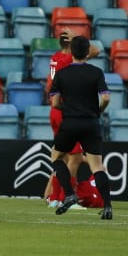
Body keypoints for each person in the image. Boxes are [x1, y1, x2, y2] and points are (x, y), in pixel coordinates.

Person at [48, 34, 114, 219]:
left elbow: (54, 103)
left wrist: (67, 107)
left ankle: (68, 194)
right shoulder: (96, 72)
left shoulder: (61, 72)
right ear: (87, 53)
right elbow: (106, 97)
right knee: (97, 166)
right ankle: (108, 206)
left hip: (69, 122)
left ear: (71, 52)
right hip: (91, 122)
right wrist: (98, 110)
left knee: (56, 157)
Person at [42, 28, 99, 206]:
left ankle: (54, 198)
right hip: (67, 111)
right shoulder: (68, 60)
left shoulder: (55, 58)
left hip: (55, 111)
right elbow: (96, 50)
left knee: (64, 157)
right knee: (74, 158)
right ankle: (66, 198)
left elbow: (48, 86)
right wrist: (78, 39)